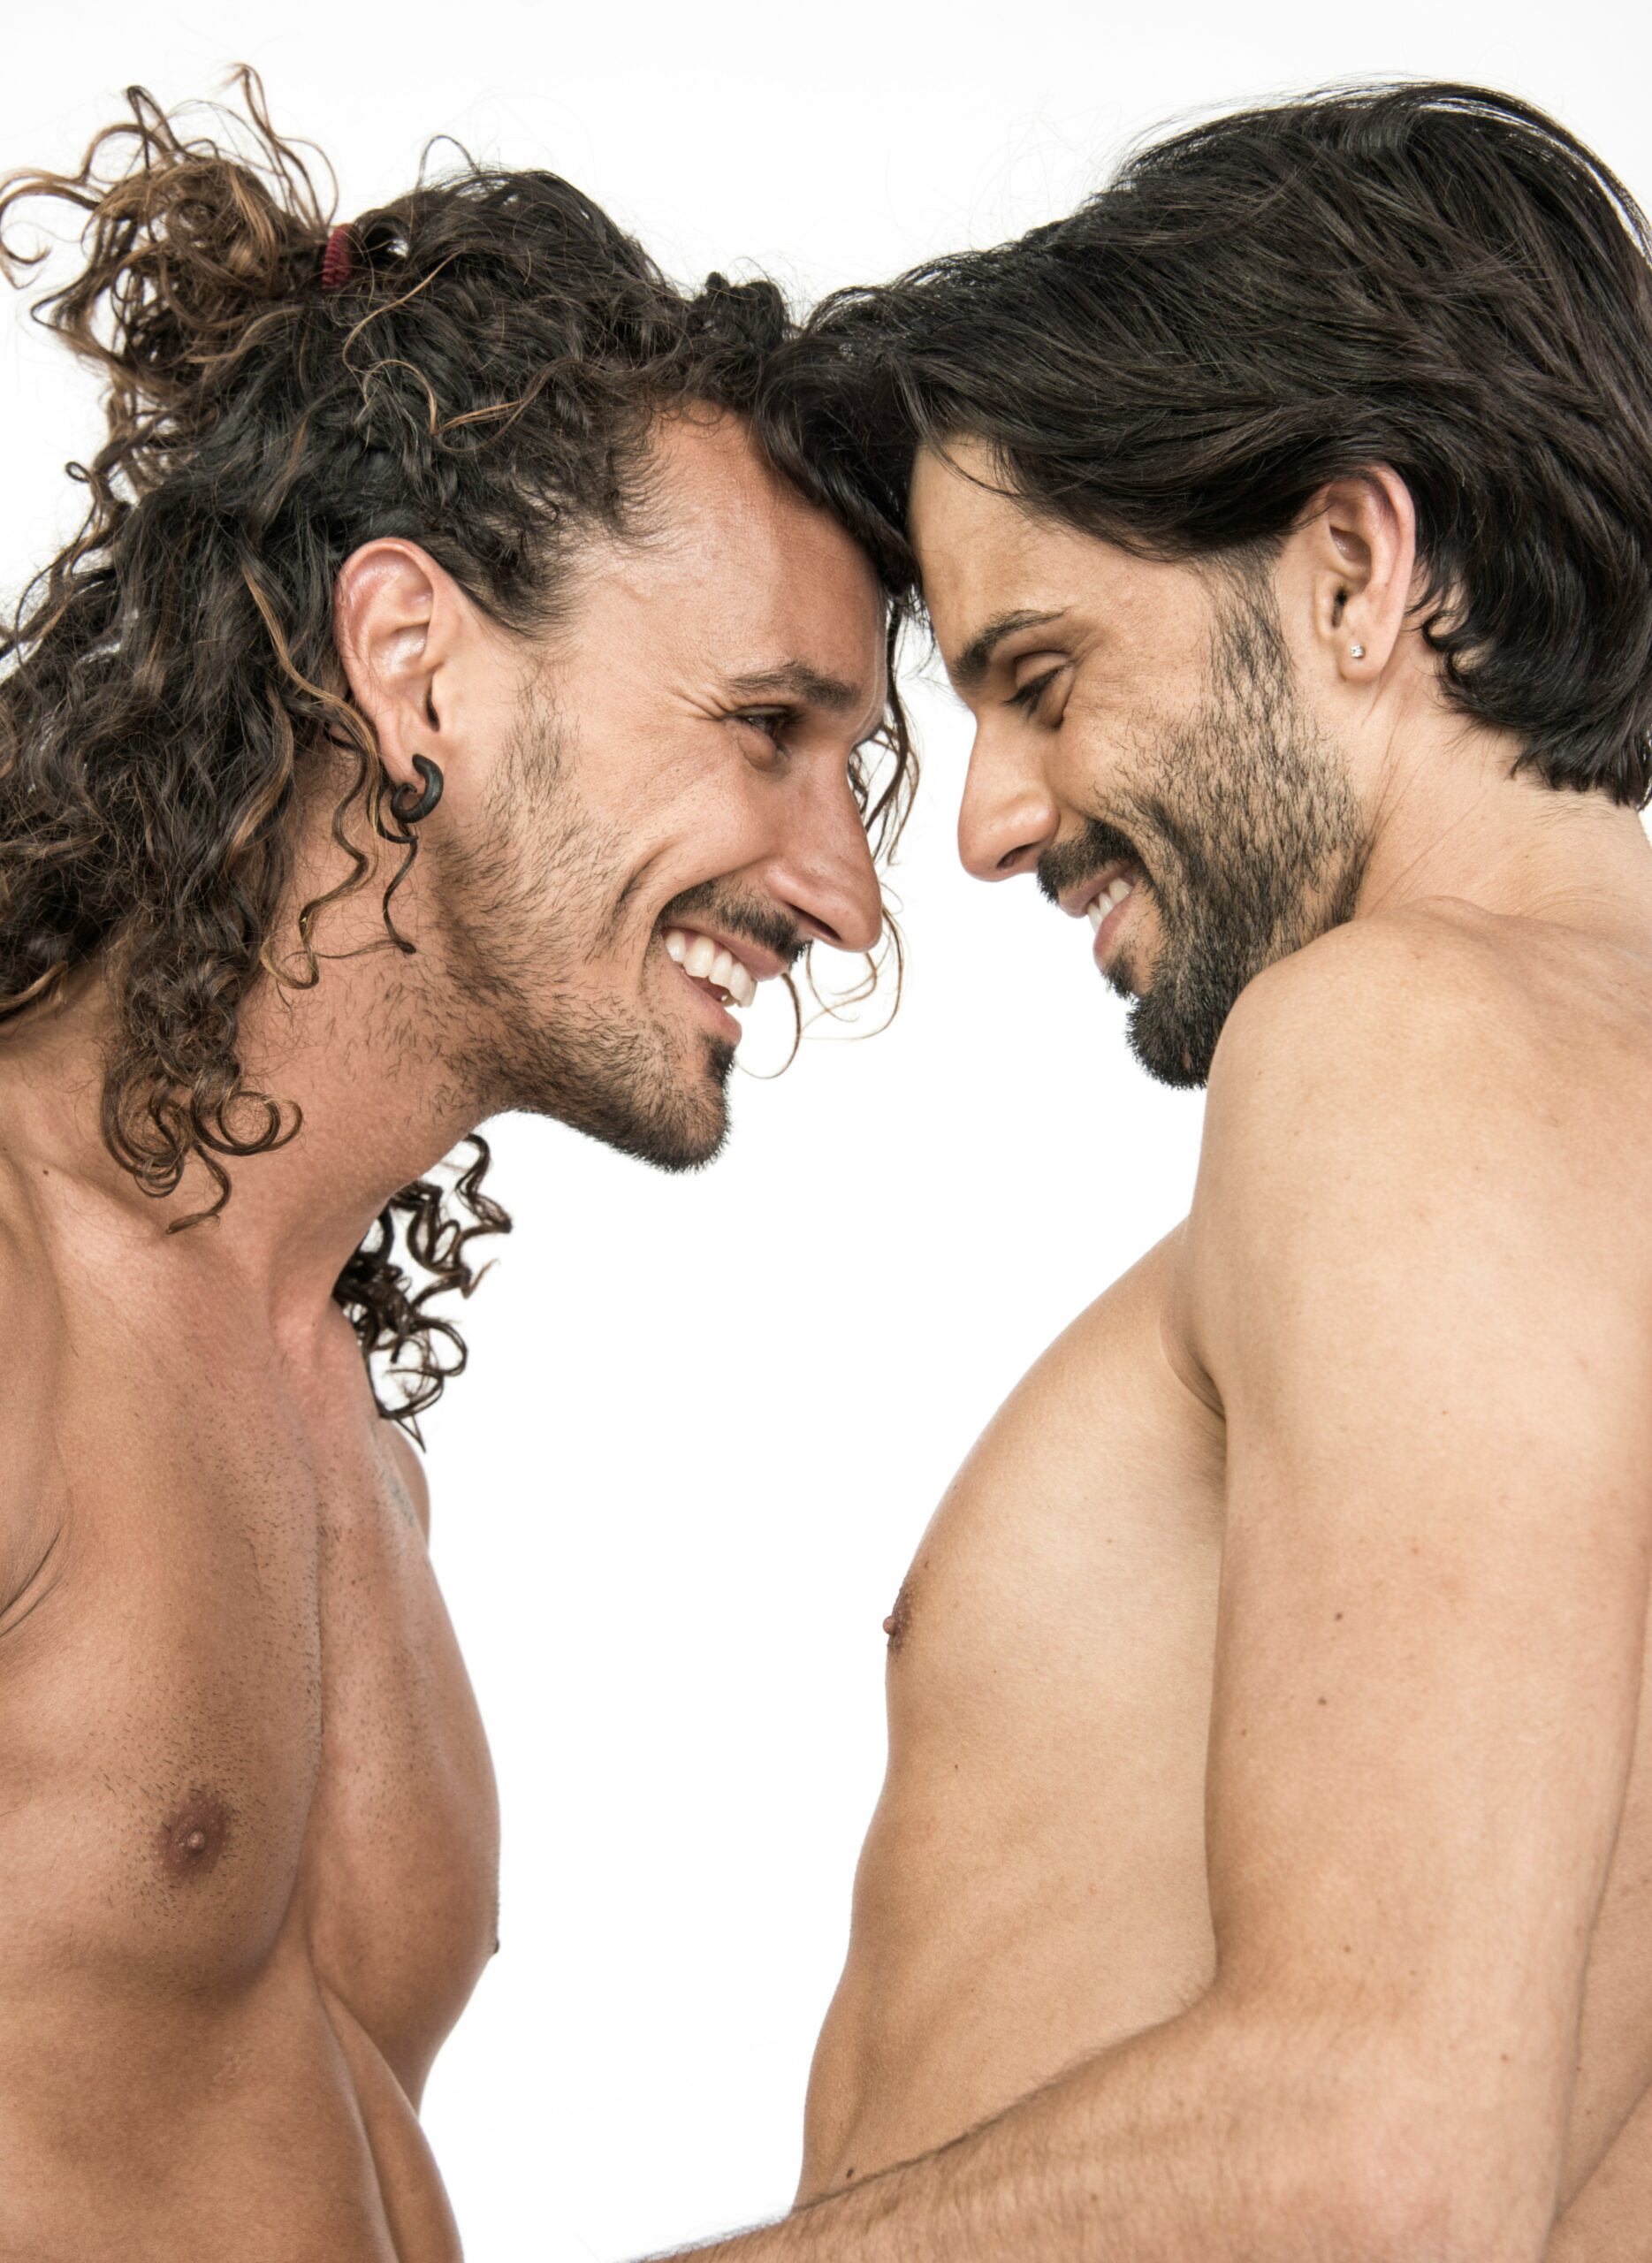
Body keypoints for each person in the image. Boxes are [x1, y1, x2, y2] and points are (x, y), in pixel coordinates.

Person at [658, 82, 1652, 2260]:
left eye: (1040, 675)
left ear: (1352, 567)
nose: (984, 821)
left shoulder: (1403, 1038)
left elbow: (1379, 2152)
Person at [0, 72, 906, 2259]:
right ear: (412, 659)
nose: (848, 890)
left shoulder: (328, 1400)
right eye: (765, 729)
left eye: (856, 766)